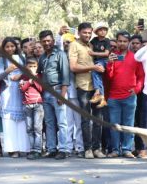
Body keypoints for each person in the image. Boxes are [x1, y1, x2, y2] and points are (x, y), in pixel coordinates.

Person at [69, 22, 106, 159]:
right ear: (79, 33)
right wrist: (93, 68)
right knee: (85, 119)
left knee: (98, 119)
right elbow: (73, 67)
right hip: (83, 86)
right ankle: (88, 149)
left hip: (97, 87)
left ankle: (97, 148)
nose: (87, 35)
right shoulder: (74, 45)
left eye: (90, 33)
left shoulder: (91, 45)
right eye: (85, 32)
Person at [106, 31, 143, 158]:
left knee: (128, 124)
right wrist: (110, 63)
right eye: (120, 41)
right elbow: (109, 77)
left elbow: (141, 76)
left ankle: (127, 149)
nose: (122, 43)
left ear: (129, 43)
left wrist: (136, 89)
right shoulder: (112, 57)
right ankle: (115, 150)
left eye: (125, 41)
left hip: (130, 96)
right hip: (113, 97)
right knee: (114, 125)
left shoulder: (135, 57)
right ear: (116, 42)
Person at [38, 30, 72, 159]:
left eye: (49, 40)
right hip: (46, 92)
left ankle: (63, 149)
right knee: (49, 122)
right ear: (41, 42)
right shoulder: (43, 57)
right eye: (44, 41)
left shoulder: (60, 54)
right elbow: (39, 73)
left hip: (58, 91)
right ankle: (51, 148)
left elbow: (65, 75)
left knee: (62, 122)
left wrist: (62, 94)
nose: (47, 43)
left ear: (53, 41)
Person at [0, 38, 29, 158]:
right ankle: (12, 149)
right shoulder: (1, 59)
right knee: (9, 121)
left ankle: (23, 147)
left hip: (20, 90)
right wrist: (8, 70)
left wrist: (21, 75)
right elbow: (0, 76)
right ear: (4, 48)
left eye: (12, 46)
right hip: (7, 91)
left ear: (16, 47)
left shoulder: (22, 58)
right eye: (7, 47)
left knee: (22, 121)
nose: (10, 49)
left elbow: (28, 71)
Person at [19, 58, 44, 160]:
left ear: (37, 67)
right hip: (27, 105)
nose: (32, 68)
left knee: (37, 128)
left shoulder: (39, 76)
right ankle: (32, 149)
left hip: (38, 104)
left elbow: (41, 89)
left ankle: (37, 150)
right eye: (30, 66)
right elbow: (23, 89)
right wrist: (29, 81)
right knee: (29, 128)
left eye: (34, 66)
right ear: (26, 67)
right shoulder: (24, 77)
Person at [89, 21, 111, 107]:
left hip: (104, 61)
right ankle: (101, 97)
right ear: (96, 32)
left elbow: (106, 54)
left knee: (95, 70)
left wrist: (93, 53)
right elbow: (89, 46)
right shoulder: (94, 40)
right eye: (100, 30)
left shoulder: (107, 41)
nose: (103, 31)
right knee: (97, 76)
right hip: (96, 61)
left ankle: (98, 91)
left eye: (104, 30)